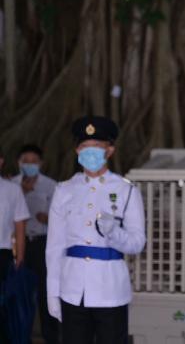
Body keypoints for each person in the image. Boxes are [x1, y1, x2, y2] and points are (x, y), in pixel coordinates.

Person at [46, 116, 146, 344]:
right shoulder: (64, 190)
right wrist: (53, 292)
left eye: (97, 148)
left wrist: (113, 232)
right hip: (73, 290)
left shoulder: (126, 191)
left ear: (109, 151)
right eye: (84, 147)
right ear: (76, 151)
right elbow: (54, 248)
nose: (90, 153)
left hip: (110, 290)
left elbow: (137, 243)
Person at [11, 144, 60, 344]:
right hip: (17, 244)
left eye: (34, 162)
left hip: (42, 243)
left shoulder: (51, 185)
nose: (30, 165)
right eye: (26, 161)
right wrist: (21, 191)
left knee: (44, 292)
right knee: (19, 294)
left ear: (40, 163)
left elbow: (61, 218)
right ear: (19, 163)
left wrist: (47, 218)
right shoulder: (10, 185)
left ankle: (51, 337)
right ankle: (20, 336)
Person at [0, 167, 30, 342]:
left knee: (4, 310)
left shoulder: (12, 189)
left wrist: (20, 256)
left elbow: (20, 225)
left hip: (2, 254)